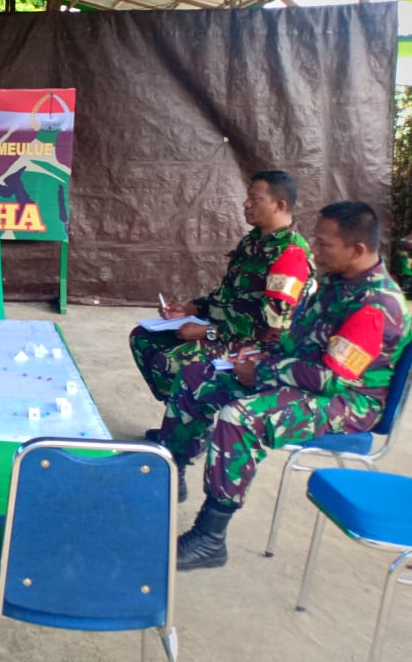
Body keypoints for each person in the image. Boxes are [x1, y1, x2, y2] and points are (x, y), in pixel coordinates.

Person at [158, 201, 409, 571]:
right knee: (198, 376)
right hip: (304, 377)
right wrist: (256, 354)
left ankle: (210, 536)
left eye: (324, 244)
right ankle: (172, 471)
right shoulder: (337, 281)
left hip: (348, 401)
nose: (314, 250)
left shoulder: (376, 305)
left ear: (357, 249)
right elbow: (298, 342)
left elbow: (332, 378)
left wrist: (262, 372)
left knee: (241, 417)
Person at [130, 170, 313, 420]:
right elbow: (227, 296)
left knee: (169, 362)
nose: (246, 204)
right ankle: (184, 414)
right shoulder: (252, 243)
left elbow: (273, 328)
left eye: (255, 199)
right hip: (225, 330)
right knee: (142, 338)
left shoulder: (289, 255)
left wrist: (209, 332)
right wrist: (189, 309)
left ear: (279, 205)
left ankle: (188, 421)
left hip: (253, 344)